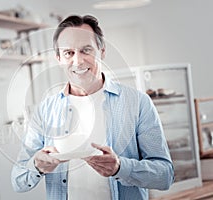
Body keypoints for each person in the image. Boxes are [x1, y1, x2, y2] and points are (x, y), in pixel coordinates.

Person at [11, 15, 174, 200]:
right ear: (58, 58)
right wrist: (37, 166)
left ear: (102, 51)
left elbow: (165, 175)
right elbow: (18, 180)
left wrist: (120, 167)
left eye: (86, 50)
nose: (78, 61)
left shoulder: (138, 103)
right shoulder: (45, 111)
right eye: (68, 53)